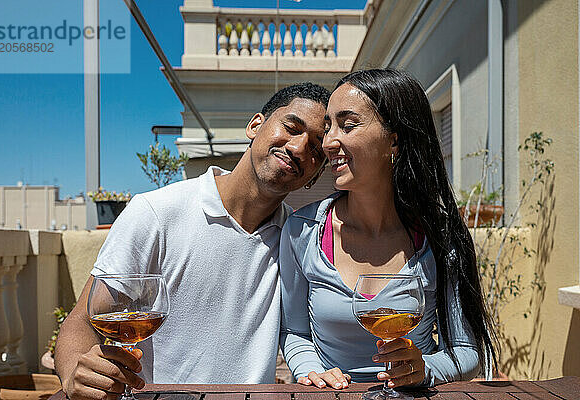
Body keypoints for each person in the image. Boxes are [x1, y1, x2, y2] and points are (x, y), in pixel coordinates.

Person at [55, 82, 331, 399]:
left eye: (316, 148)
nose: (298, 148)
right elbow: (83, 322)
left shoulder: (298, 238)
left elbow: (302, 333)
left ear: (315, 174)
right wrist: (77, 372)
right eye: (291, 127)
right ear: (255, 126)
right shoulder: (156, 212)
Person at [279, 69, 498, 390]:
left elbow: (467, 351)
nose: (328, 142)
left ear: (394, 140)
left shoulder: (440, 237)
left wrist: (425, 368)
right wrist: (312, 371)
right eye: (328, 127)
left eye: (347, 125)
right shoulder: (302, 230)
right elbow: (295, 333)